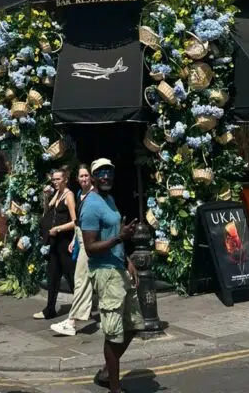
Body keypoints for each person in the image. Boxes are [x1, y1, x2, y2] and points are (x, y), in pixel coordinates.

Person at [81, 158, 141, 393]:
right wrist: (119, 238)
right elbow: (90, 247)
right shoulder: (90, 206)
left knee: (133, 325)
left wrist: (128, 261)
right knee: (114, 333)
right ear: (93, 178)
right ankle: (114, 388)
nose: (106, 176)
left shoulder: (109, 199)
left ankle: (107, 371)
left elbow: (116, 233)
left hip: (119, 268)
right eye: (100, 173)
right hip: (105, 273)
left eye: (109, 172)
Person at [52, 163, 95, 337]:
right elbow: (78, 222)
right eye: (81, 176)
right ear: (77, 179)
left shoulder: (94, 195)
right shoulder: (80, 194)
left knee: (81, 280)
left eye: (86, 175)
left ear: (91, 177)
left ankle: (71, 322)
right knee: (86, 279)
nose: (84, 179)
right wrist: (74, 240)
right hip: (81, 239)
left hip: (91, 241)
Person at [34, 166, 76, 321]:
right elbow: (48, 211)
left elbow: (75, 221)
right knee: (53, 275)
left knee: (71, 276)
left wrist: (58, 228)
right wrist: (46, 197)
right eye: (53, 179)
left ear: (65, 179)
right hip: (54, 242)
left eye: (58, 179)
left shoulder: (69, 195)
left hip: (64, 242)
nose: (55, 182)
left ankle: (82, 308)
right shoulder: (57, 194)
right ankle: (49, 309)